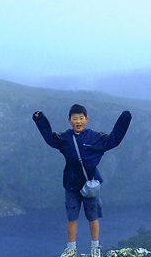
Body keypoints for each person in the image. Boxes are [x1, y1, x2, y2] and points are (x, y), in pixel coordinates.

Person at [32, 104, 131, 257]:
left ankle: (95, 248)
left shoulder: (95, 138)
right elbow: (50, 139)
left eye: (81, 118)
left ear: (86, 119)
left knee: (93, 217)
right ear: (69, 121)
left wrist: (125, 119)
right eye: (75, 118)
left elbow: (114, 140)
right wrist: (40, 120)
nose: (78, 121)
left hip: (89, 185)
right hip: (71, 185)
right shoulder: (66, 138)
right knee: (72, 218)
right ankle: (71, 248)